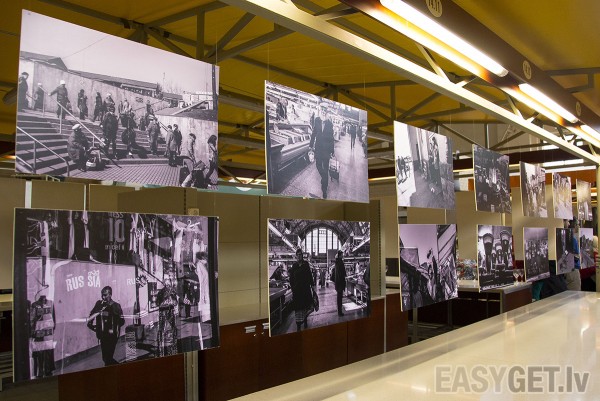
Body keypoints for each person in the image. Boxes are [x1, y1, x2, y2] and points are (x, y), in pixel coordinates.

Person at [87, 286, 124, 366]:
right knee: (105, 358)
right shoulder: (99, 304)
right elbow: (92, 314)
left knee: (108, 358)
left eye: (105, 295)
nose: (103, 297)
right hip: (103, 335)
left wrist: (113, 326)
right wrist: (92, 325)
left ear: (110, 295)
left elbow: (122, 321)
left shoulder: (116, 306)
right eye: (102, 295)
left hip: (112, 336)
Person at [309, 101, 335, 199]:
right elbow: (314, 133)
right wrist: (311, 145)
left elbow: (331, 138)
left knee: (326, 168)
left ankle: (324, 190)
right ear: (321, 111)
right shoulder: (317, 120)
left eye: (325, 110)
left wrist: (332, 150)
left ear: (327, 112)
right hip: (318, 148)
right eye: (322, 110)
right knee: (318, 165)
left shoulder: (330, 124)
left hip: (326, 150)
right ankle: (324, 177)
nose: (324, 111)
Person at [288, 248, 315, 331]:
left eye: (300, 254)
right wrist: (293, 288)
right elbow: (291, 278)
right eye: (298, 255)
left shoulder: (306, 264)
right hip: (297, 292)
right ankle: (298, 326)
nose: (299, 256)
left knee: (305, 308)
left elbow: (309, 275)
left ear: (302, 255)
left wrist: (312, 285)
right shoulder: (294, 266)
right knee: (298, 310)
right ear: (296, 256)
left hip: (305, 290)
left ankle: (305, 321)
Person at [30, 295, 56, 378]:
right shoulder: (34, 305)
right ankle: (40, 372)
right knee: (39, 353)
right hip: (39, 333)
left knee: (47, 352)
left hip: (48, 333)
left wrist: (52, 329)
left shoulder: (50, 303)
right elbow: (32, 319)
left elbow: (53, 317)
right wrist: (32, 332)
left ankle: (47, 370)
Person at [156, 277, 179, 357]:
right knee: (162, 330)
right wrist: (166, 298)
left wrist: (172, 298)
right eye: (167, 284)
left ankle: (173, 348)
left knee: (173, 329)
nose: (168, 285)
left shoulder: (172, 292)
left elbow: (175, 302)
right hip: (163, 311)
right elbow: (158, 303)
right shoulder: (161, 292)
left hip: (170, 311)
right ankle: (161, 349)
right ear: (164, 284)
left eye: (169, 284)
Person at [333, 250, 346, 316]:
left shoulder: (337, 262)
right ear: (340, 255)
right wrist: (344, 276)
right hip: (340, 283)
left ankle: (339, 311)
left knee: (339, 298)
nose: (343, 255)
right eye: (342, 254)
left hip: (338, 283)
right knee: (339, 299)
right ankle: (340, 312)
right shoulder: (340, 262)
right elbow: (342, 273)